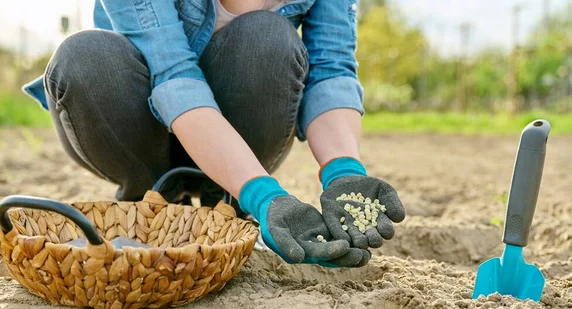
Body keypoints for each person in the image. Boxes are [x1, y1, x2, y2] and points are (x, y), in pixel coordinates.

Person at [22, 0, 405, 269]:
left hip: (248, 132)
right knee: (85, 57)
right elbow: (174, 76)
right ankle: (151, 194)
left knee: (268, 37)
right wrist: (266, 194)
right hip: (134, 126)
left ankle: (229, 198)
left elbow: (331, 69)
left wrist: (343, 170)